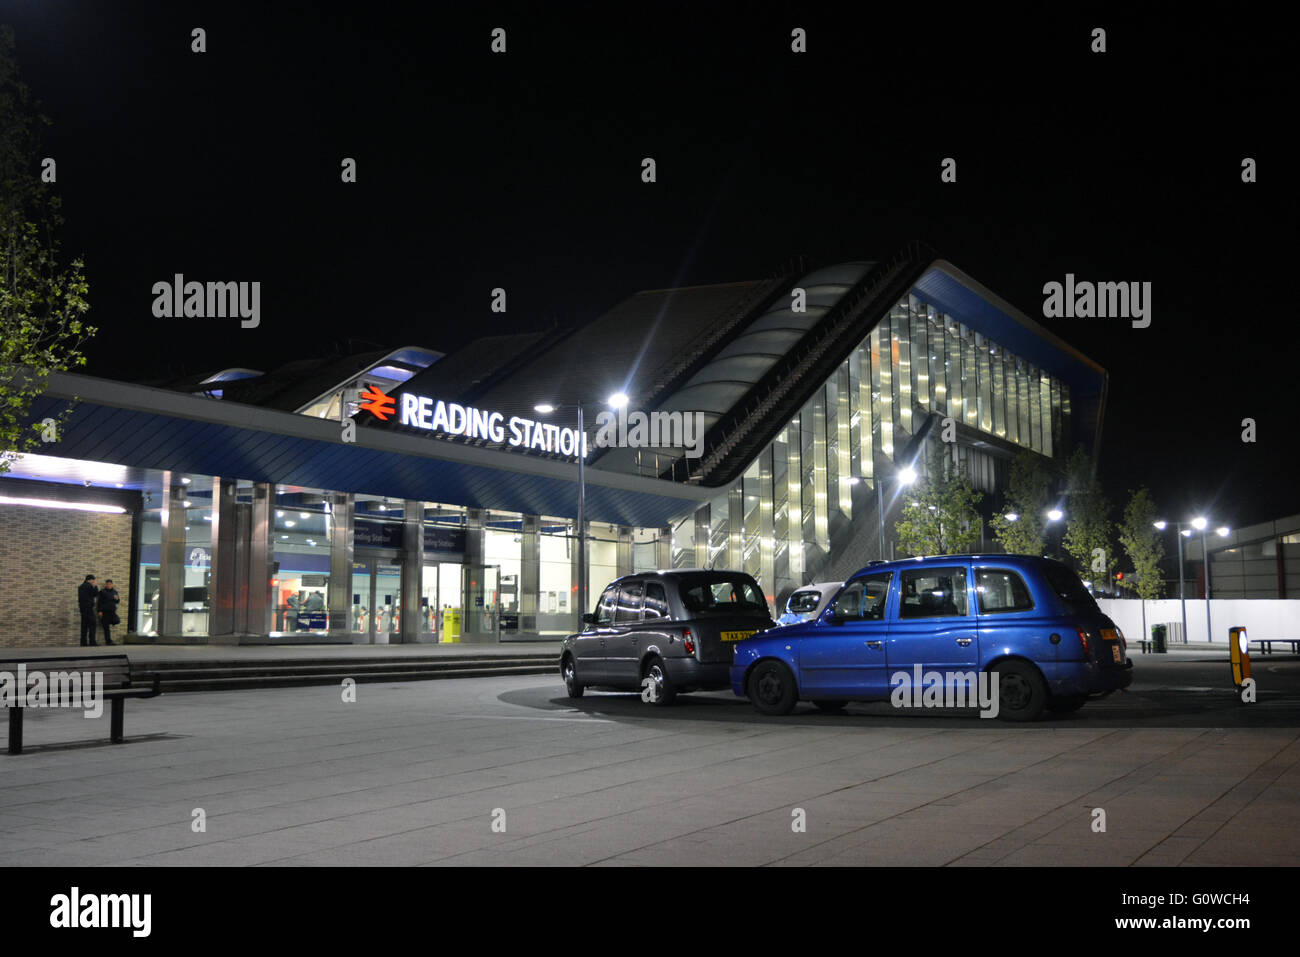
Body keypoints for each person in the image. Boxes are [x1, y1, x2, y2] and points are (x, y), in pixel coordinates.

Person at [97, 578, 121, 645]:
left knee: (117, 620)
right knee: (106, 628)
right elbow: (99, 602)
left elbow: (117, 601)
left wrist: (117, 599)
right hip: (105, 611)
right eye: (107, 584)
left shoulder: (115, 592)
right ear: (106, 585)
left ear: (112, 585)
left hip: (112, 611)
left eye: (110, 584)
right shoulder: (102, 592)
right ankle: (108, 641)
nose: (109, 585)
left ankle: (111, 623)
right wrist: (99, 611)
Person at [77, 574, 99, 646]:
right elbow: (95, 594)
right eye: (93, 580)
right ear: (90, 580)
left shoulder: (80, 587)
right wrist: (95, 586)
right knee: (92, 624)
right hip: (89, 608)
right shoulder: (89, 586)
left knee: (84, 625)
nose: (94, 581)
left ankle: (83, 642)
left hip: (82, 608)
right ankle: (92, 641)